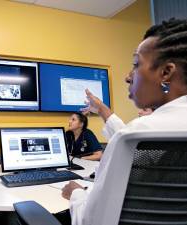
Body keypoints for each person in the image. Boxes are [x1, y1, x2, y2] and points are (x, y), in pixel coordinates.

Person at [62, 18, 187, 225]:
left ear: (166, 73)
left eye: (136, 65)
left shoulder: (134, 134)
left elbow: (90, 222)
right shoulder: (139, 134)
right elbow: (136, 142)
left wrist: (76, 194)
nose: (128, 78)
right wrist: (101, 109)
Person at [82, 89, 153, 141]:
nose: (139, 112)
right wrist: (100, 111)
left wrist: (101, 106)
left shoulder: (153, 135)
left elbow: (123, 138)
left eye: (144, 110)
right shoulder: (140, 129)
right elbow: (117, 137)